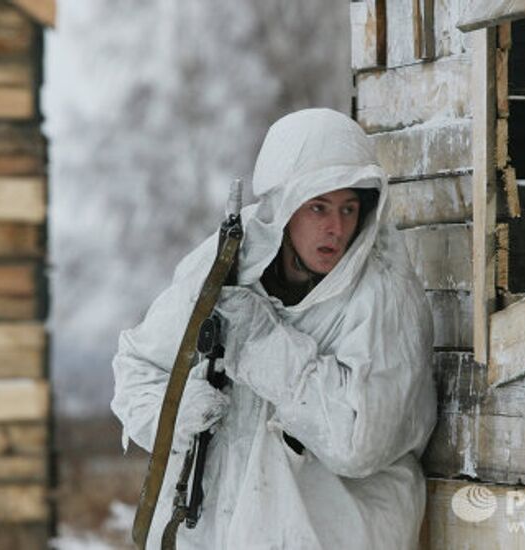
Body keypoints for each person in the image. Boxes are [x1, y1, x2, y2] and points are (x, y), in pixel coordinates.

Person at [111, 108, 437, 549]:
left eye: (348, 208)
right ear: (284, 207)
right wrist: (174, 414)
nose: (336, 228)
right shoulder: (226, 266)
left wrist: (262, 344)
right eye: (318, 207)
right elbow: (139, 366)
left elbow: (359, 442)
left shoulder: (382, 297)